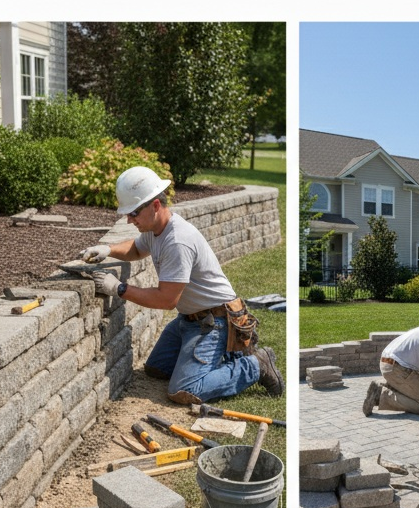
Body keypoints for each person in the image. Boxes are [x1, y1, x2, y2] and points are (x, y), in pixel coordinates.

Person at [78, 166, 283, 404]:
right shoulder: (157, 229)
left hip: (214, 322)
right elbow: (136, 249)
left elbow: (166, 300)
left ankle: (256, 364)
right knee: (157, 368)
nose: (128, 219)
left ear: (155, 205)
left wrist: (119, 288)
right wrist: (108, 249)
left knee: (185, 388)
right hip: (189, 320)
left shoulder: (177, 241)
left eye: (133, 213)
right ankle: (223, 358)